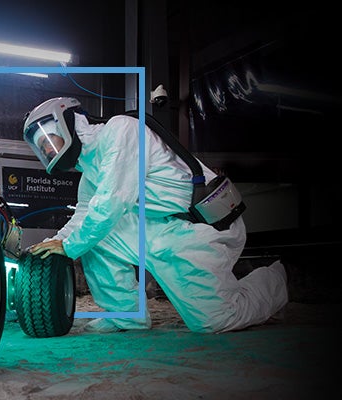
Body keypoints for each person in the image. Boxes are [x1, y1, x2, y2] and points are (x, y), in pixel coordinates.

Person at [23, 96, 288, 333]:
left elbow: (112, 203)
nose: (47, 149)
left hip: (198, 228)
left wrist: (68, 245)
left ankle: (275, 281)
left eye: (48, 138)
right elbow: (85, 215)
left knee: (215, 320)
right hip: (158, 230)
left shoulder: (121, 130)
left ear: (67, 121)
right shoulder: (91, 172)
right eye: (40, 147)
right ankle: (125, 316)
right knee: (94, 236)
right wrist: (53, 244)